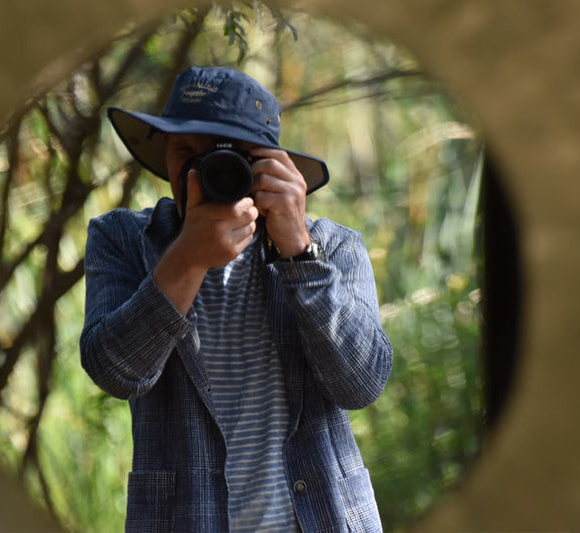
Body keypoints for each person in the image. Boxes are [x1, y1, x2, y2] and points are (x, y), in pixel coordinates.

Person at [80, 65, 393, 532]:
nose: (208, 172)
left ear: (271, 167)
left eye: (231, 159)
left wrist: (299, 253)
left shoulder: (332, 246)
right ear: (165, 153)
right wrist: (185, 260)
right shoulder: (123, 239)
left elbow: (362, 384)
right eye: (187, 153)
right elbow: (115, 371)